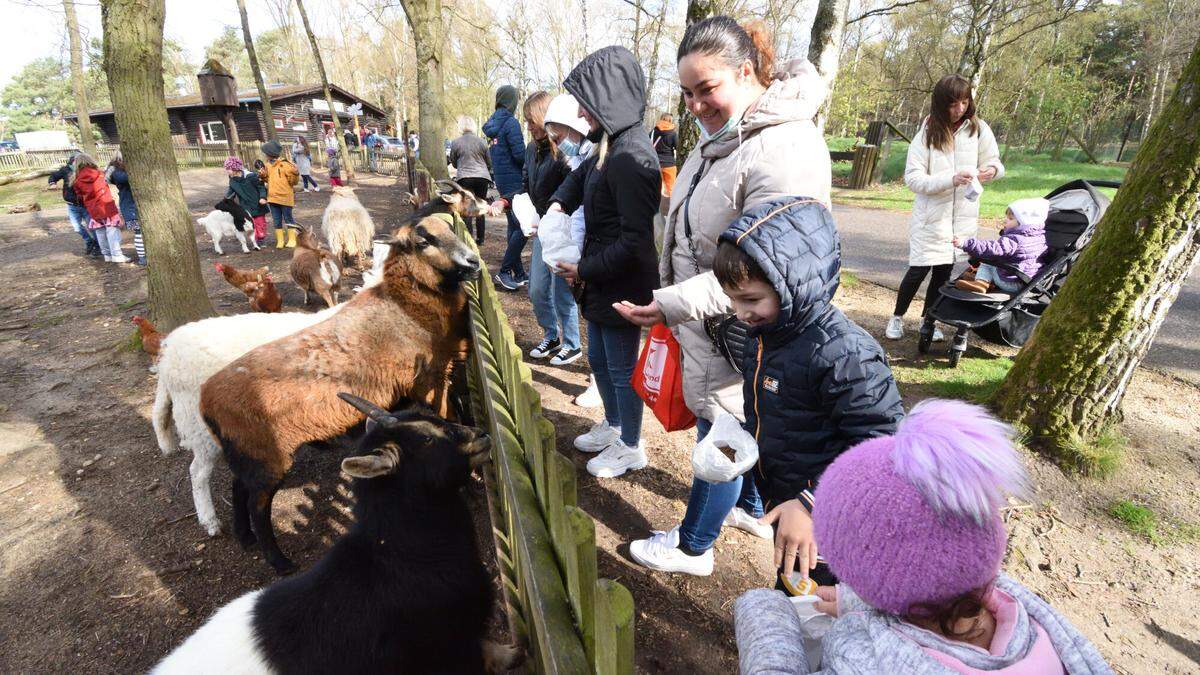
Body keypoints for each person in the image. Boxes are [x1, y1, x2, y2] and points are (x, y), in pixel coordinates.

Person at [614, 17, 834, 575]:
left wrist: (670, 303)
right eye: (686, 92)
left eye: (706, 88)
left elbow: (763, 270)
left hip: (743, 327)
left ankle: (693, 547)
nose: (694, 104)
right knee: (732, 422)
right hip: (713, 323)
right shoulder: (725, 137)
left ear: (746, 71)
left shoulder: (783, 148)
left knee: (723, 432)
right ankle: (751, 506)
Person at [630, 198, 904, 578]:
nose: (740, 313)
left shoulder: (845, 355)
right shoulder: (768, 334)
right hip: (788, 499)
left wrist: (810, 503)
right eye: (733, 301)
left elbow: (883, 449)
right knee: (792, 589)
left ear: (791, 284)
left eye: (751, 300)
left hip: (832, 521)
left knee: (815, 600)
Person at [734, 400, 1113, 674]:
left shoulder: (862, 659)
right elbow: (927, 580)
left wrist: (765, 615)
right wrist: (857, 599)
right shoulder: (1025, 615)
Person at [547, 46, 661, 479]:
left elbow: (636, 241)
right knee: (598, 358)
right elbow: (578, 180)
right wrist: (558, 206)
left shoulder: (633, 157)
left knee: (621, 368)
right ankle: (613, 425)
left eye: (585, 101)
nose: (579, 111)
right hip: (598, 275)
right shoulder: (607, 144)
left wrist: (585, 271)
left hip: (621, 281)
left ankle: (631, 443)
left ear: (608, 97)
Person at [885, 74, 1004, 342]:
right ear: (940, 104)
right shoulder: (926, 133)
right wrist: (949, 180)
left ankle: (930, 321)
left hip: (962, 216)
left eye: (964, 102)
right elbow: (913, 179)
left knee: (943, 274)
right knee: (918, 270)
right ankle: (897, 318)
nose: (959, 109)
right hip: (931, 218)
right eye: (953, 104)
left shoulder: (979, 128)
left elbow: (996, 161)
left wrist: (991, 171)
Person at [544, 94, 603, 409]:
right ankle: (597, 379)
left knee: (598, 327)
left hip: (594, 254)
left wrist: (576, 253)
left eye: (561, 134)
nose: (558, 141)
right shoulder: (577, 160)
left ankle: (599, 384)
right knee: (589, 319)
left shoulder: (595, 158)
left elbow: (585, 213)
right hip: (580, 250)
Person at [520, 91, 582, 367]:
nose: (529, 126)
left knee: (562, 290)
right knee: (536, 288)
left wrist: (556, 214)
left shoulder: (565, 152)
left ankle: (572, 343)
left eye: (531, 120)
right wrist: (526, 210)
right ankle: (551, 335)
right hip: (542, 226)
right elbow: (527, 181)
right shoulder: (532, 150)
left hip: (562, 227)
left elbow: (572, 189)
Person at [483, 84, 528, 290]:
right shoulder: (511, 123)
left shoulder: (493, 124)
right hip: (515, 180)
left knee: (513, 225)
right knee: (522, 227)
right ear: (512, 102)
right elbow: (520, 155)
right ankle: (504, 271)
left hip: (502, 179)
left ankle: (518, 273)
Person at [954, 198, 1049, 294]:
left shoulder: (1014, 240)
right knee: (999, 261)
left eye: (1010, 219)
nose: (1005, 220)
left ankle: (981, 283)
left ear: (1023, 223)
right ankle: (984, 279)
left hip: (1009, 282)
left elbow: (991, 248)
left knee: (988, 261)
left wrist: (965, 244)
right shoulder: (1040, 237)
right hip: (1027, 281)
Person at [71, 153, 127, 264]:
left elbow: (79, 195)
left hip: (92, 209)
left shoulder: (76, 180)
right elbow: (104, 186)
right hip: (106, 205)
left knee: (100, 231)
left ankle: (106, 254)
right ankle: (117, 255)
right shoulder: (99, 174)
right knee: (112, 230)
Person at [449, 116, 493, 243]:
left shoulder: (456, 142)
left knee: (466, 207)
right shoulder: (482, 142)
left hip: (465, 177)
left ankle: (468, 238)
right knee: (480, 205)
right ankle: (481, 238)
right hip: (482, 178)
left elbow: (454, 163)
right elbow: (489, 162)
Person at [48, 153, 99, 257]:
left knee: (92, 226)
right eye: (73, 161)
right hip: (72, 205)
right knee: (76, 227)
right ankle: (89, 241)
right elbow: (53, 176)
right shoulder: (65, 170)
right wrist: (52, 183)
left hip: (86, 205)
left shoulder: (86, 171)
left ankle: (98, 246)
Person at [105, 151, 145, 266]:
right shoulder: (118, 173)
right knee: (139, 231)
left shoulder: (121, 171)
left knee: (141, 232)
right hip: (130, 207)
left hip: (132, 206)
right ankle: (142, 258)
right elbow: (129, 178)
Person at [261, 140, 300, 248]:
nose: (265, 155)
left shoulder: (285, 165)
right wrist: (263, 175)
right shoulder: (267, 165)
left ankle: (292, 239)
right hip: (272, 198)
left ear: (270, 153)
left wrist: (295, 174)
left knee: (288, 218)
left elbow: (294, 182)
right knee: (276, 220)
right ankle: (280, 240)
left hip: (285, 198)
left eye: (266, 153)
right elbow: (267, 180)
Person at [223, 156, 270, 247]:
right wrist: (225, 202)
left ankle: (261, 239)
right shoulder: (232, 181)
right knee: (251, 224)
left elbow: (261, 187)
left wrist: (263, 197)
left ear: (235, 168)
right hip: (245, 206)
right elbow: (230, 192)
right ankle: (255, 240)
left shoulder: (251, 176)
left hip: (258, 204)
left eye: (228, 168)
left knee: (260, 223)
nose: (227, 170)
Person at [650, 112, 678, 198]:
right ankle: (670, 209)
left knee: (655, 189)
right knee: (671, 189)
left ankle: (656, 209)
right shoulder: (673, 133)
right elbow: (677, 146)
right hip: (669, 164)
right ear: (670, 121)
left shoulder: (653, 132)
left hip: (655, 164)